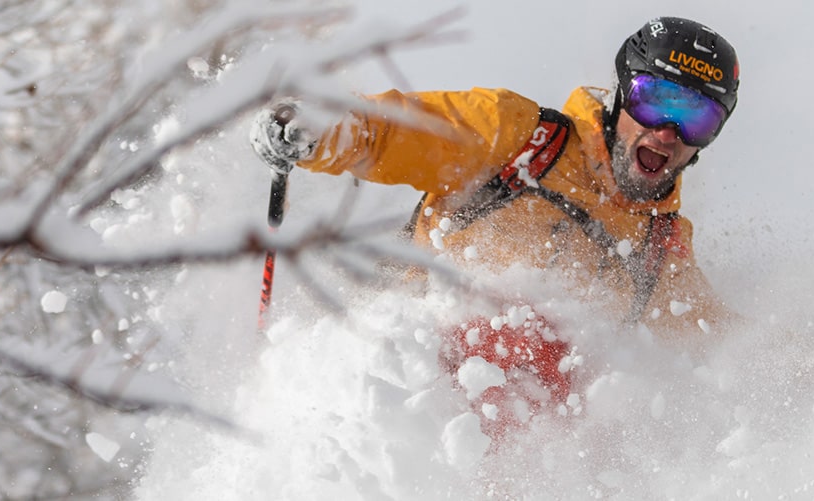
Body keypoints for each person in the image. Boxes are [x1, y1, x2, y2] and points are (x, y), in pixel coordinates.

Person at [250, 16, 740, 440]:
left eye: (696, 118)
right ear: (622, 94)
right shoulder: (522, 139)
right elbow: (393, 132)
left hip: (528, 446)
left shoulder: (659, 250)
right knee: (521, 329)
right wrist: (318, 128)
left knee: (605, 398)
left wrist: (800, 362)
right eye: (655, 101)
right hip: (412, 380)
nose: (667, 133)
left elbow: (717, 350)